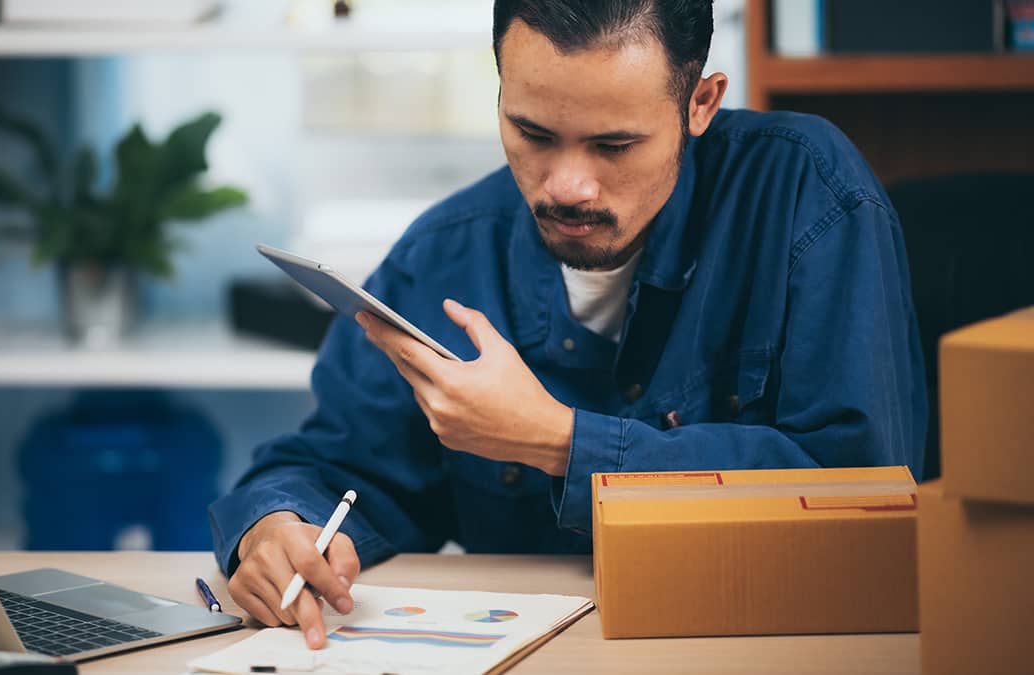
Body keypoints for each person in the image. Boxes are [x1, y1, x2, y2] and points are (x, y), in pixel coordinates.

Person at [209, 0, 927, 649]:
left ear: (700, 103)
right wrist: (275, 527)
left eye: (614, 146)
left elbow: (867, 500)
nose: (567, 186)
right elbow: (331, 465)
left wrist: (555, 440)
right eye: (531, 132)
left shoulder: (812, 196)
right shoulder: (446, 253)